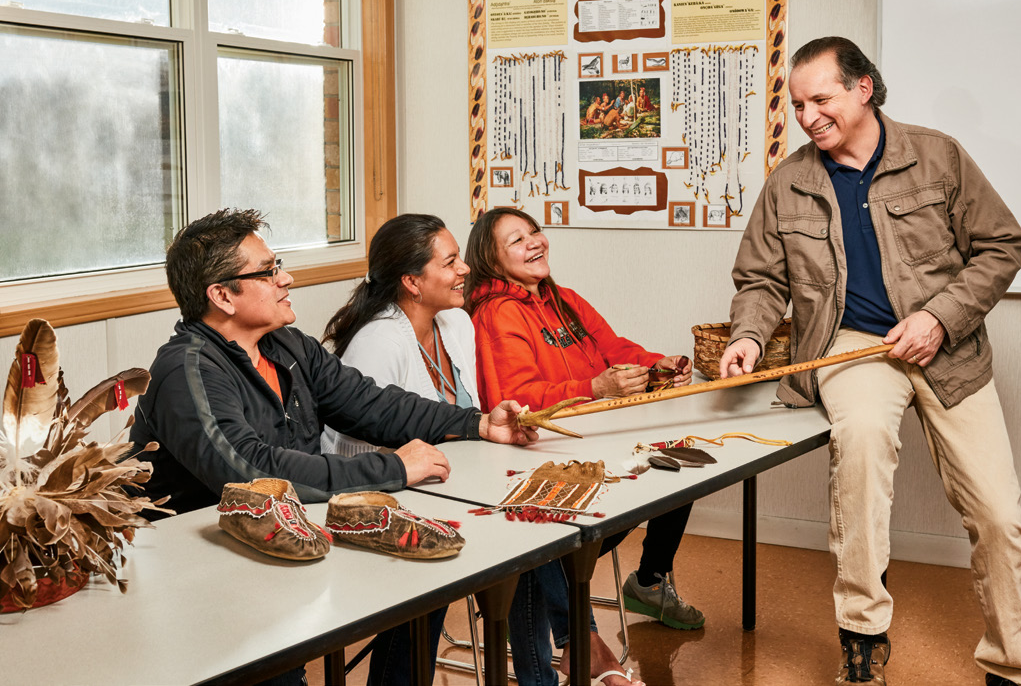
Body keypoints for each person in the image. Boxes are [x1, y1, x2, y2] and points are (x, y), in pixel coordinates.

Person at [718, 37, 1021, 686]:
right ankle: (862, 643)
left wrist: (940, 317)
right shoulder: (789, 181)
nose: (806, 117)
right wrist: (747, 334)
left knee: (1000, 515)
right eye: (797, 104)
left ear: (863, 89)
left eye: (820, 99)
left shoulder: (937, 155)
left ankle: (1012, 663)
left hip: (948, 348)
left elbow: (1000, 246)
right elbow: (759, 281)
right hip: (850, 344)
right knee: (858, 449)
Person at [131, 208, 537, 686]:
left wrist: (477, 423)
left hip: (291, 542)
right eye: (268, 271)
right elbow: (247, 472)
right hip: (210, 581)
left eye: (277, 263)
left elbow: (373, 404)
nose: (287, 277)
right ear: (222, 296)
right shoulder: (187, 369)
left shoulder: (288, 346)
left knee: (424, 583)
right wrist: (389, 468)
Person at [465, 207, 705, 686]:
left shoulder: (564, 298)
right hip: (539, 458)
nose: (534, 242)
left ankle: (650, 581)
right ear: (490, 258)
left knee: (681, 463)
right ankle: (581, 638)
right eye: (516, 240)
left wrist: (661, 365)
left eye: (534, 232)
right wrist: (594, 390)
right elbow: (517, 401)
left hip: (595, 444)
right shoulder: (496, 313)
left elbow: (614, 349)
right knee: (552, 531)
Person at [321, 213, 478, 685]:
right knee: (428, 584)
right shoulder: (378, 341)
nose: (464, 269)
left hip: (448, 493)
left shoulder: (457, 323)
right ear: (412, 281)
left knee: (535, 549)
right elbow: (353, 451)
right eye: (450, 262)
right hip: (378, 508)